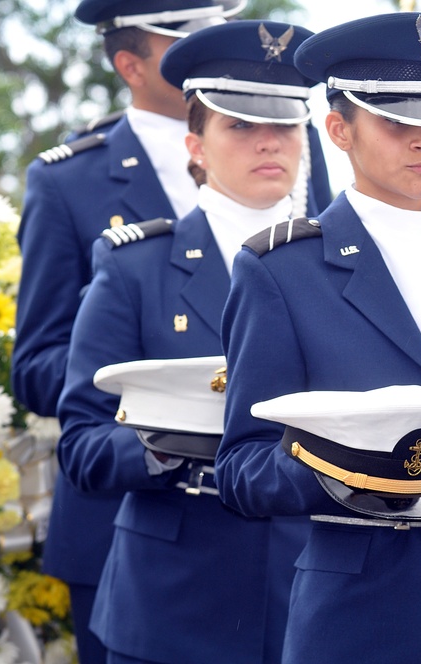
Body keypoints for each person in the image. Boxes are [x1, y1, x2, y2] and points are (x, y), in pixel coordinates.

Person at [214, 12, 421, 663]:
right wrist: (352, 472)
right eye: (398, 121)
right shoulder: (280, 270)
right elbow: (242, 468)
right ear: (340, 129)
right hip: (361, 617)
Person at [54, 19, 320, 664]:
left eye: (283, 125)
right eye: (239, 125)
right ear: (195, 146)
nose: (267, 144)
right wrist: (169, 442)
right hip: (177, 604)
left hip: (315, 595)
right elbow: (82, 443)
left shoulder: (339, 266)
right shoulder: (135, 267)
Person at [10, 4, 254, 660]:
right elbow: (34, 362)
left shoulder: (287, 151)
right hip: (123, 514)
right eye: (184, 42)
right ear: (130, 64)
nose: (210, 52)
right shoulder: (68, 180)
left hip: (266, 519)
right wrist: (159, 387)